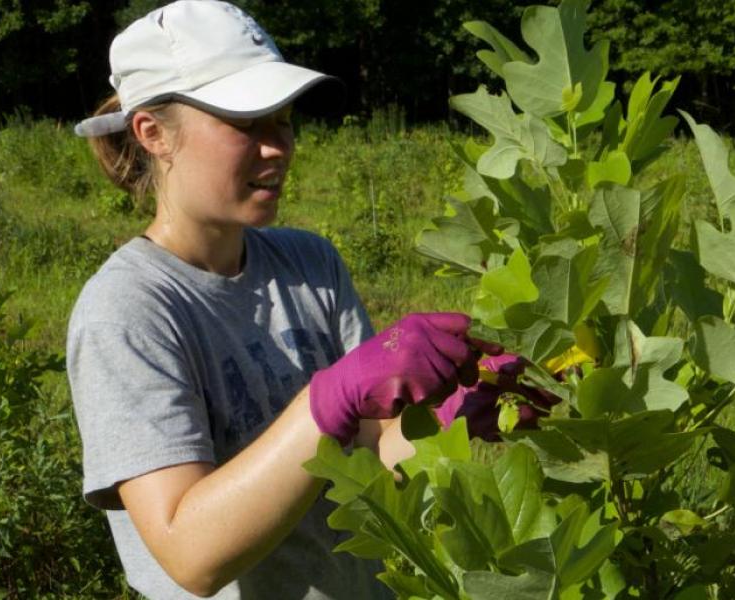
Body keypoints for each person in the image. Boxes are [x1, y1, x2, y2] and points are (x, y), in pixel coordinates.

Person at [66, 2, 539, 597]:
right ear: (152, 133)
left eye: (283, 119)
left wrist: (448, 421)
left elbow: (369, 466)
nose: (277, 147)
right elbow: (191, 555)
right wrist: (326, 403)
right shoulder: (130, 309)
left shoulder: (309, 266)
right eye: (245, 122)